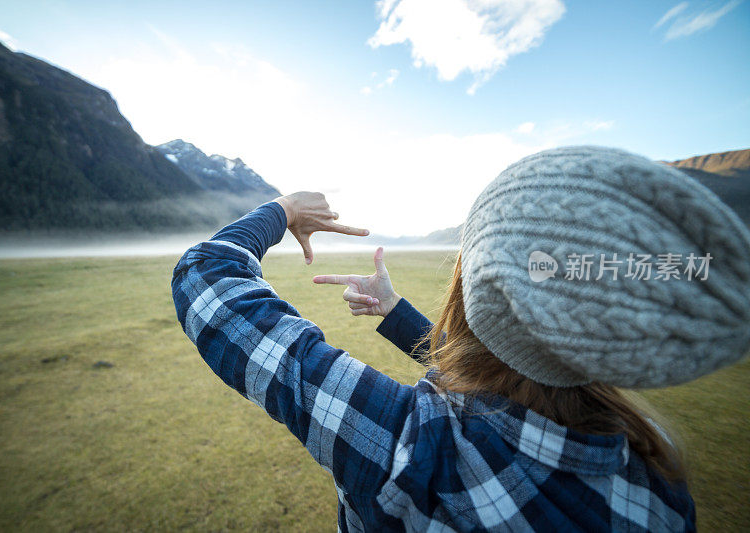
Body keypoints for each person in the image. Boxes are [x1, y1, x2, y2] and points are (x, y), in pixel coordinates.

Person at [171, 146, 750, 532]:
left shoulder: (418, 453)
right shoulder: (659, 479)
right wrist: (397, 313)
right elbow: (502, 376)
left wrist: (284, 209)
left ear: (478, 295)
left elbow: (206, 277)